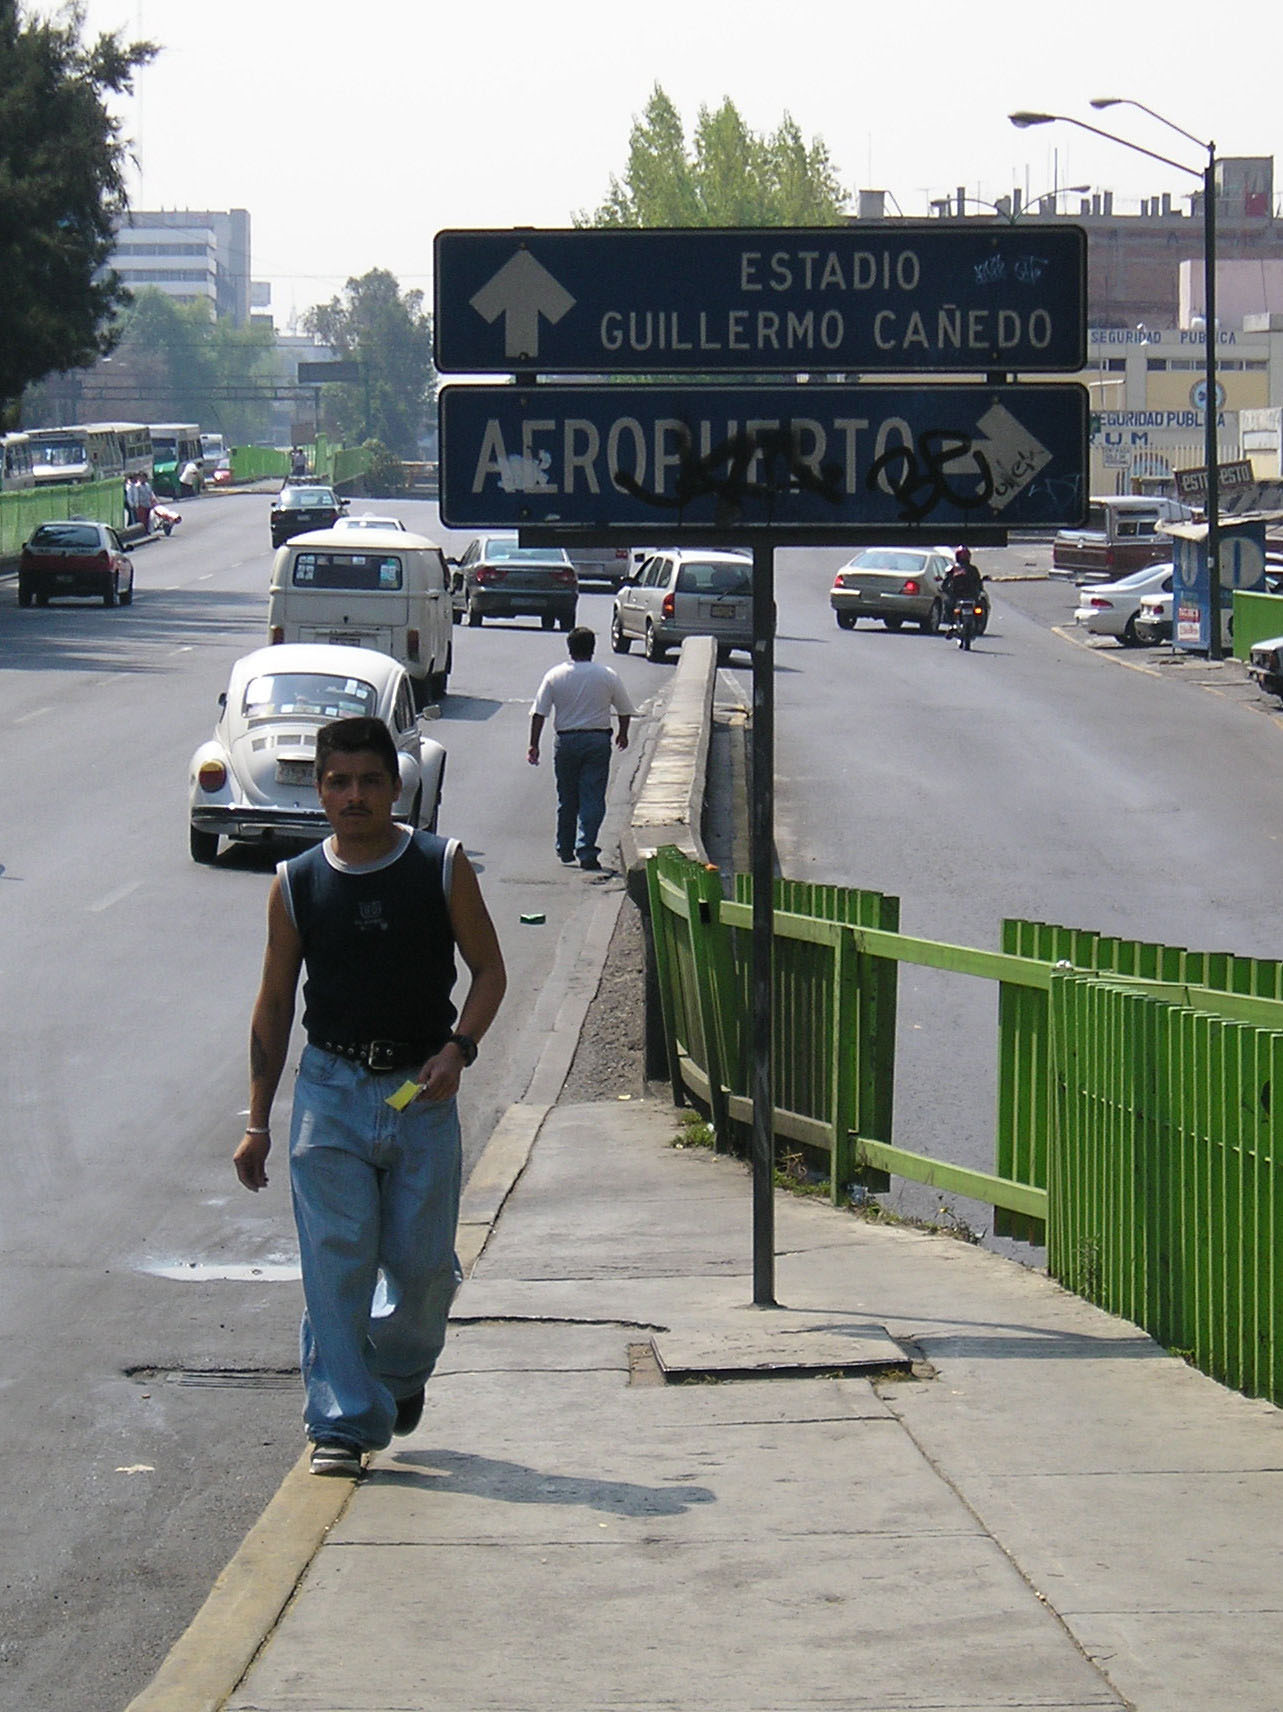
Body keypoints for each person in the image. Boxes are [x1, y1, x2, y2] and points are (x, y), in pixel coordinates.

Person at [234, 716, 507, 1477]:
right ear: (319, 790)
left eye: (370, 782)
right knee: (336, 1258)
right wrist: (257, 1121)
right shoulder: (297, 883)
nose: (354, 797)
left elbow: (488, 972)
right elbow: (274, 1004)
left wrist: (459, 1049)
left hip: (419, 1094)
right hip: (330, 1091)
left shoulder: (440, 865)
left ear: (396, 787)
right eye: (338, 782)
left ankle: (397, 1373)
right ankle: (344, 1422)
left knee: (421, 1268)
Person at [528, 626, 636, 870]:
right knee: (593, 796)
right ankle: (586, 848)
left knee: (567, 797)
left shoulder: (554, 675)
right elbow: (624, 709)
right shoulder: (607, 675)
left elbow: (539, 713)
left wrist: (533, 745)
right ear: (592, 648)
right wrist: (623, 733)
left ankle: (565, 848)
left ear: (570, 648)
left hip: (566, 742)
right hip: (597, 742)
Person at [941, 546, 983, 618]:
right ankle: (952, 621)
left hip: (969, 595)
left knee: (980, 606)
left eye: (965, 555)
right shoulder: (952, 568)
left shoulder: (972, 569)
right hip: (958, 595)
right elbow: (946, 581)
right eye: (962, 555)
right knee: (948, 605)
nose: (963, 558)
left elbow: (978, 582)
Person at [134, 471, 155, 536]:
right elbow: (136, 496)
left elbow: (150, 494)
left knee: (148, 519)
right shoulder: (137, 486)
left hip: (148, 504)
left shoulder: (147, 485)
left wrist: (153, 501)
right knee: (142, 520)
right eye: (141, 477)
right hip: (141, 505)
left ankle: (148, 531)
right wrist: (136, 505)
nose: (142, 479)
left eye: (144, 478)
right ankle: (143, 532)